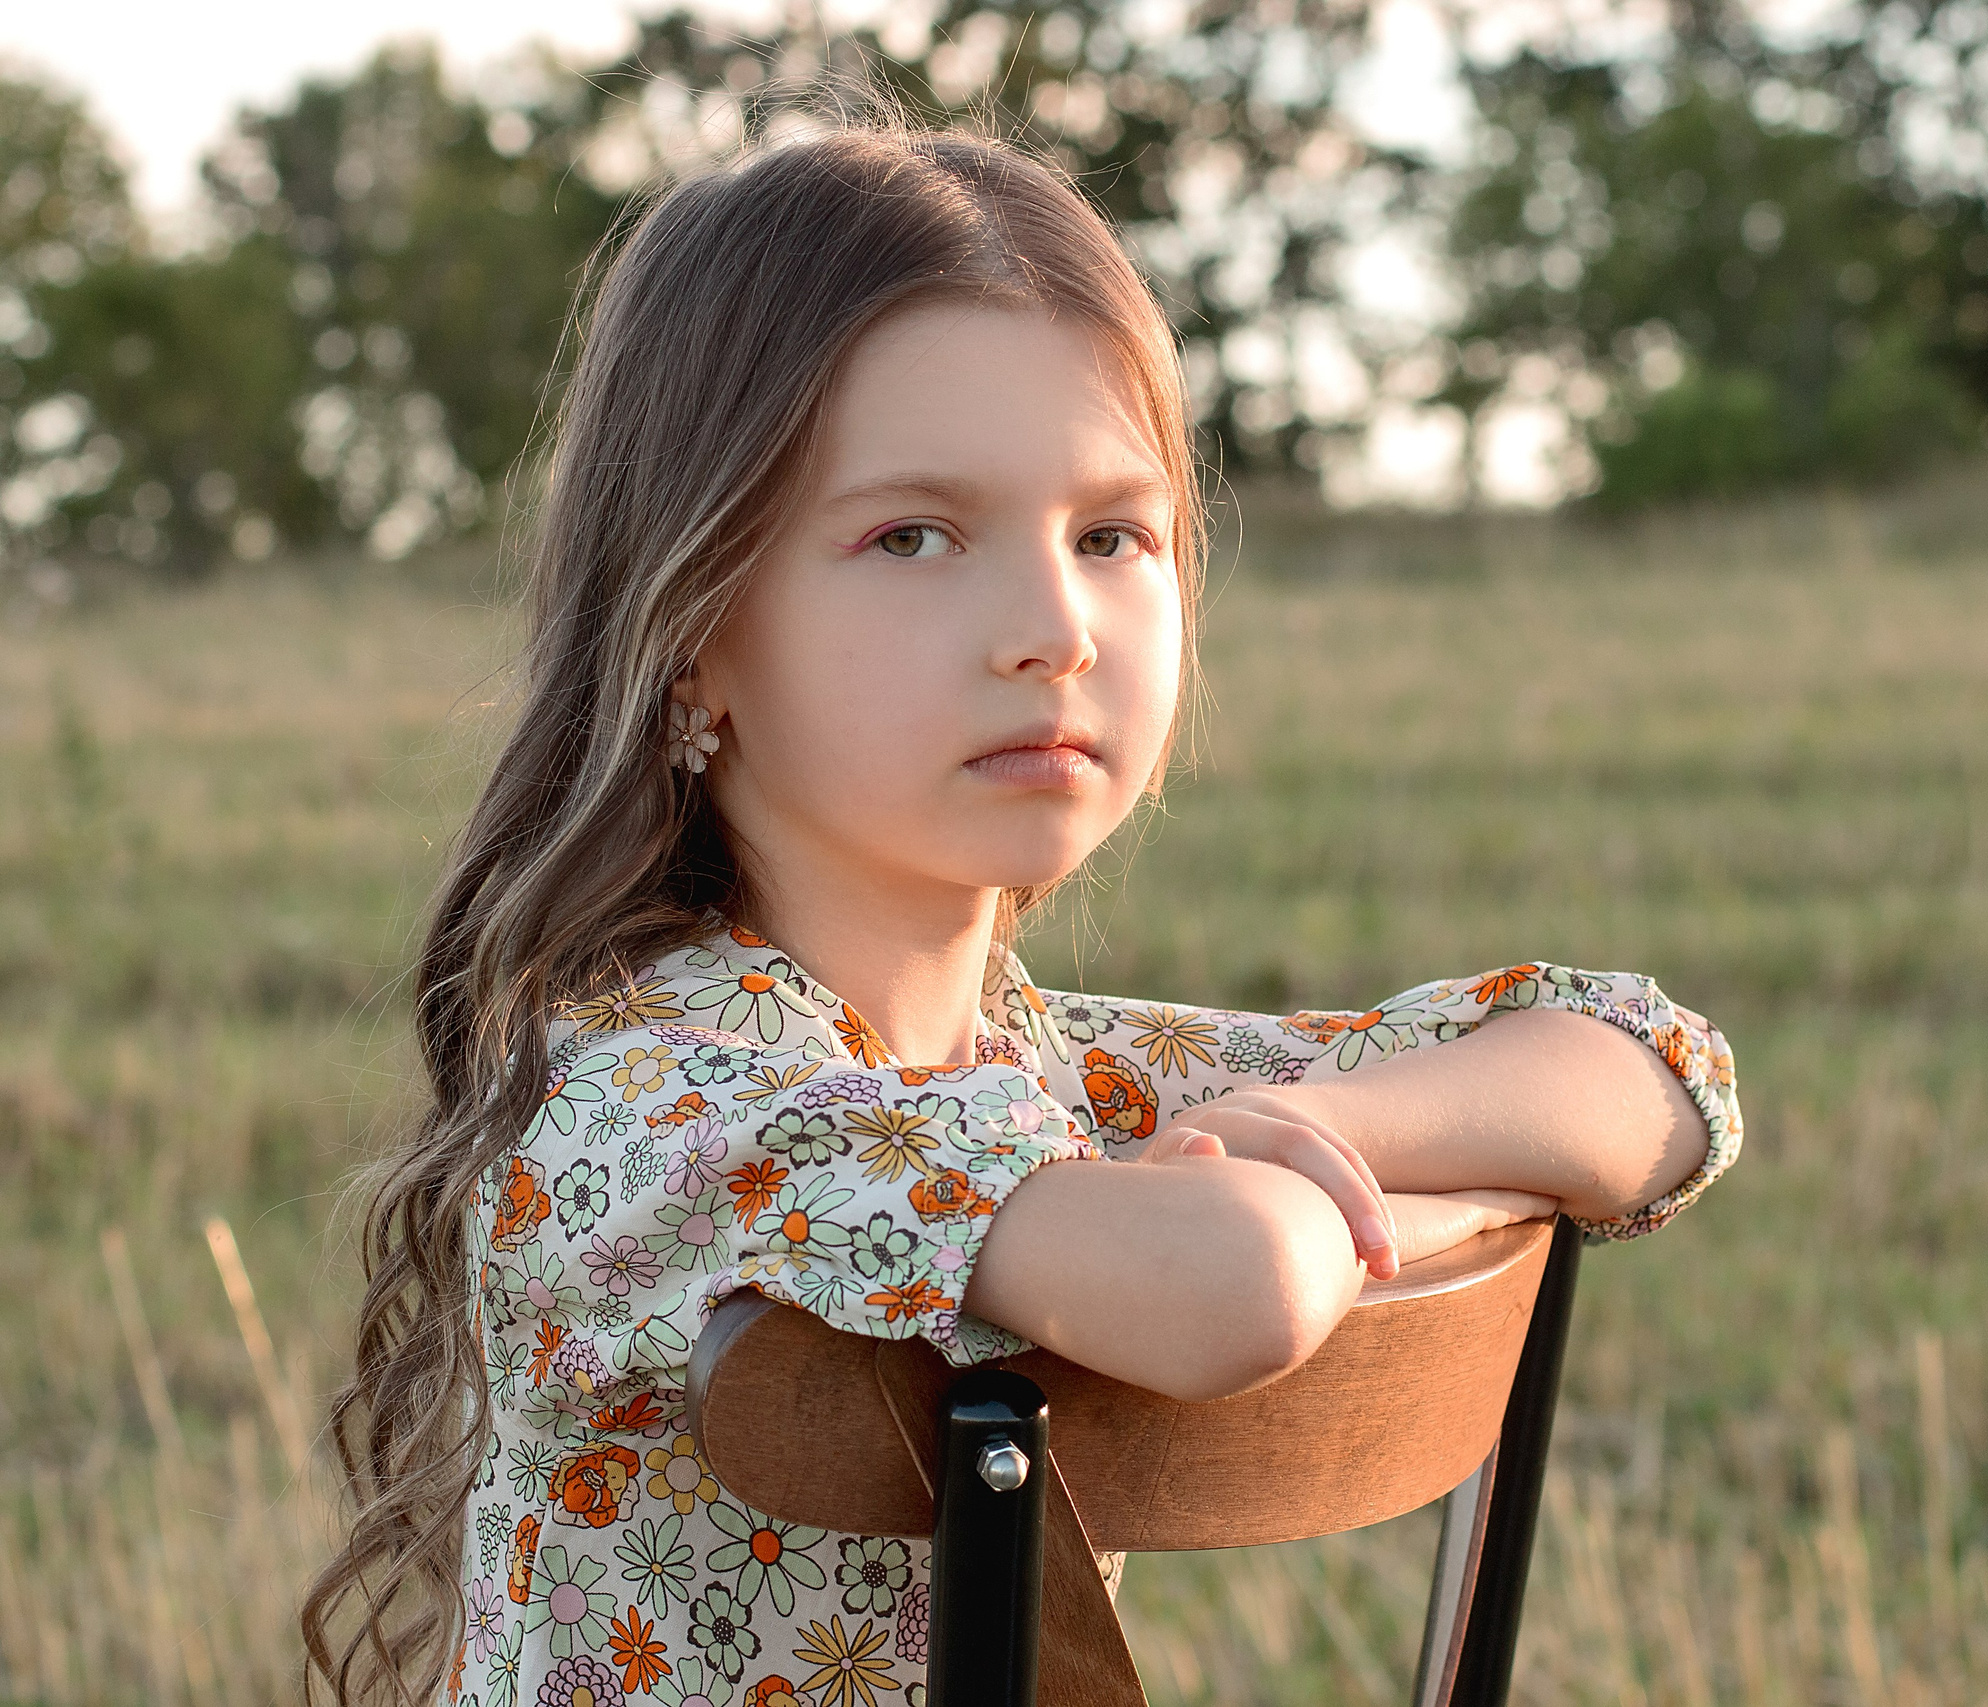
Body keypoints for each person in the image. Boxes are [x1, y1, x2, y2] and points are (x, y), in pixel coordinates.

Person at [301, 116, 1743, 1707]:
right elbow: (1244, 1282)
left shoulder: (1047, 1080)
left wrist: (1321, 1130)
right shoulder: (662, 1110)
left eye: (1112, 535)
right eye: (912, 537)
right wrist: (1447, 1194)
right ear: (691, 635)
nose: (1054, 626)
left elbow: (1654, 1069)